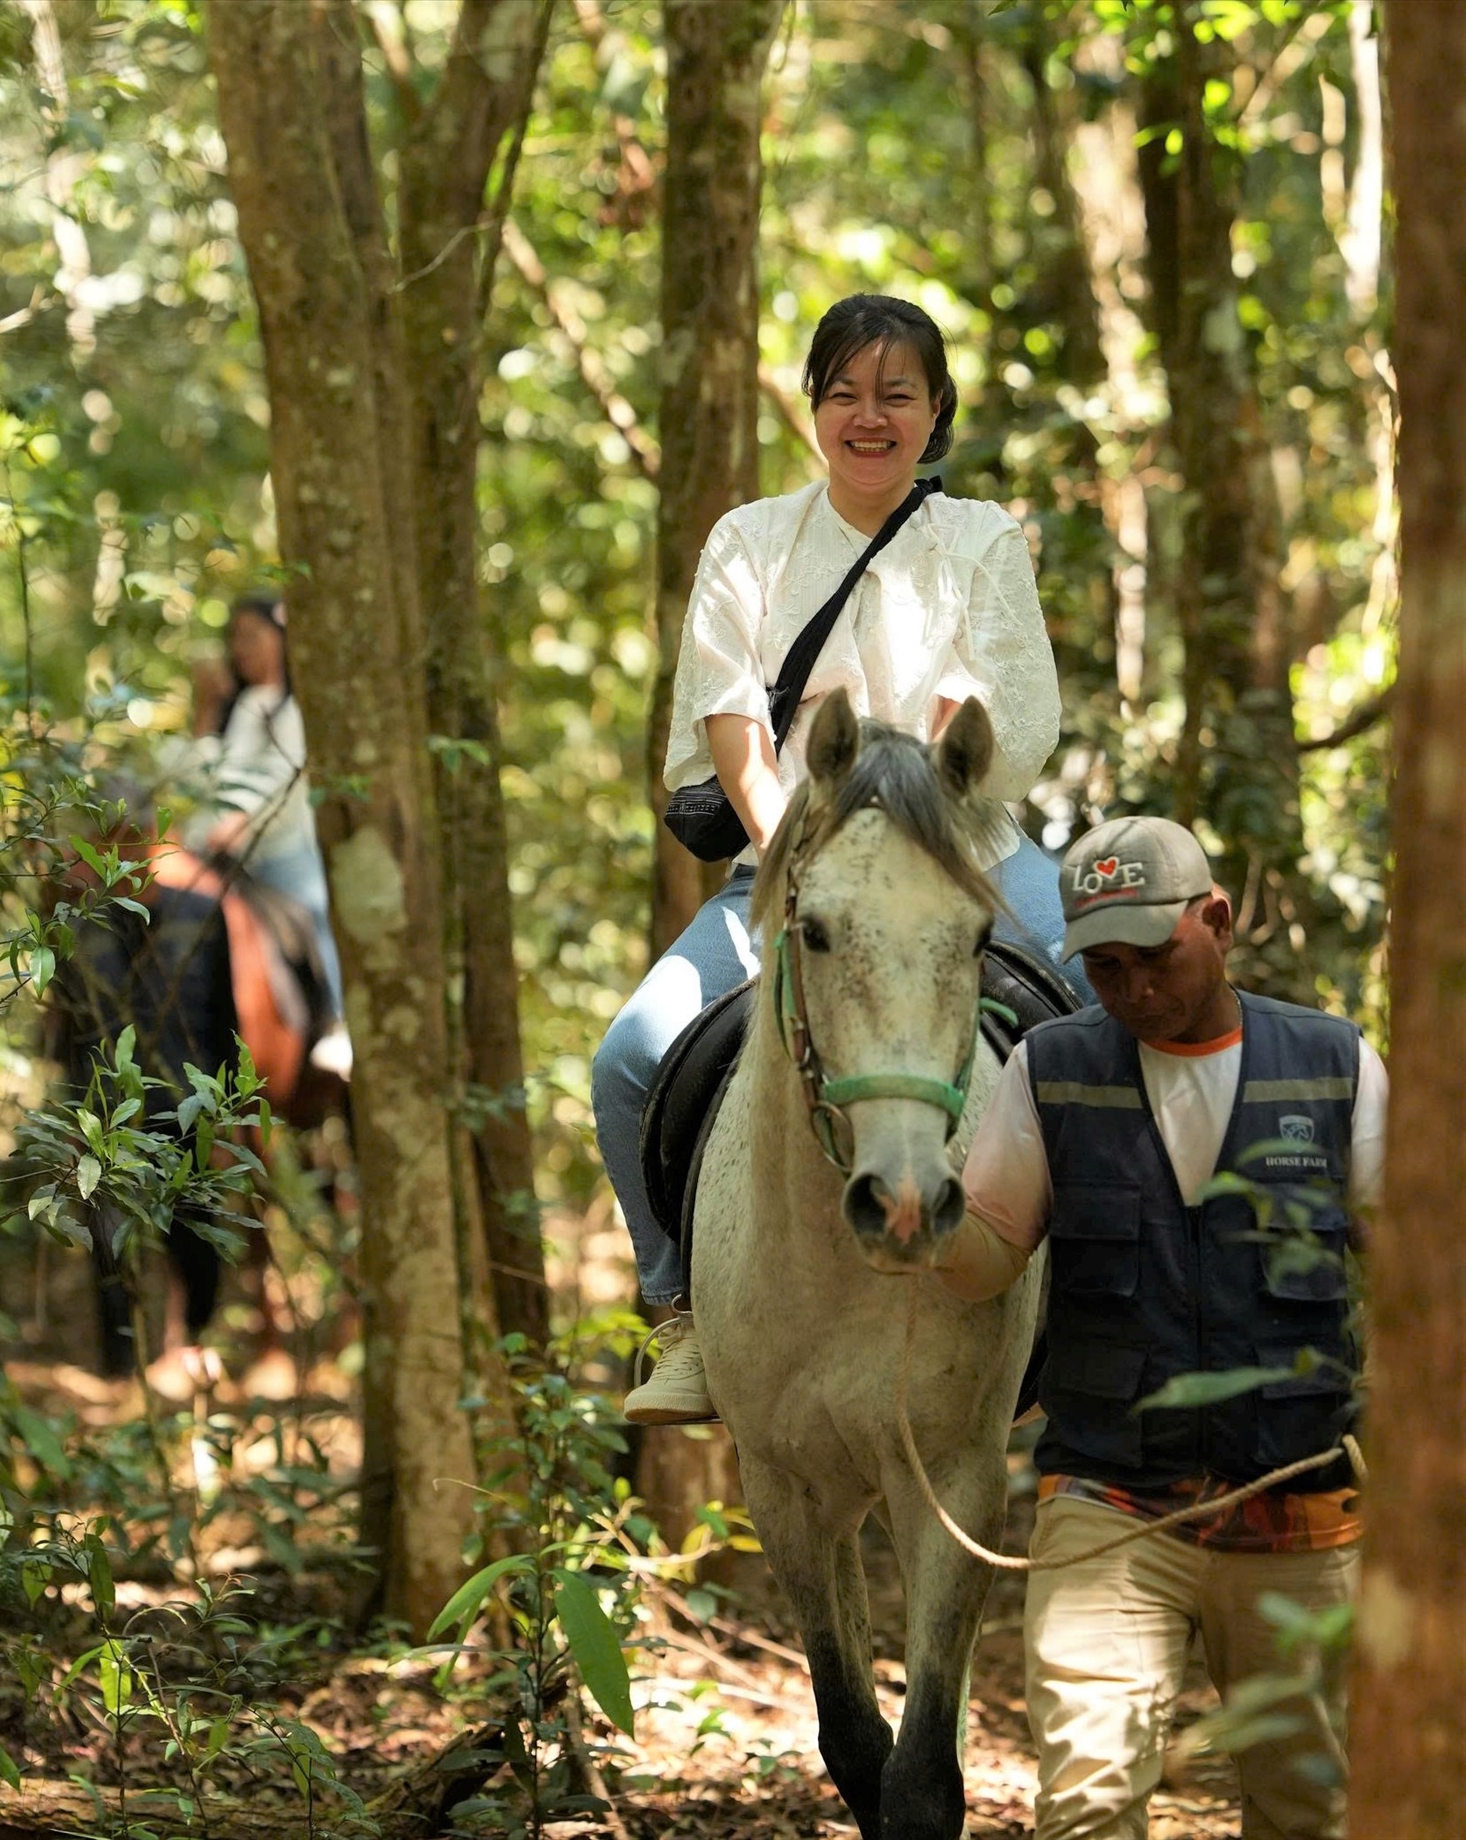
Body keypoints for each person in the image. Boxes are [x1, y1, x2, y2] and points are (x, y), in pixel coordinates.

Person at [594, 292, 1077, 1426]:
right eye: (847, 392)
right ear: (813, 406)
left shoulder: (981, 541)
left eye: (896, 393)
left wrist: (967, 729)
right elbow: (727, 723)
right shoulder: (750, 542)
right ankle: (685, 1315)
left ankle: (1117, 1305)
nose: (871, 416)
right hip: (790, 855)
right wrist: (795, 871)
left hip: (968, 857)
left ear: (936, 410)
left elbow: (1015, 709)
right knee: (628, 1058)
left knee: (1097, 1012)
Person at [935, 815, 1386, 1840]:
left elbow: (1415, 1272)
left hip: (1299, 1510)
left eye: (1156, 956)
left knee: (1308, 1808)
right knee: (1087, 1804)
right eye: (1105, 967)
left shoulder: (1335, 1066)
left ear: (1216, 920)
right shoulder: (1048, 1068)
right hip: (1109, 1506)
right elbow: (983, 1263)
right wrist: (916, 1225)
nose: (1134, 987)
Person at [183, 593, 345, 1037]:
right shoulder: (244, 707)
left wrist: (240, 820)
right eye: (235, 637)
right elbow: (203, 779)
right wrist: (206, 713)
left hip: (280, 854)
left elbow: (279, 779)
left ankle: (336, 1019)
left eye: (253, 635)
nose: (241, 647)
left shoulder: (297, 709)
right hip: (222, 854)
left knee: (317, 909)